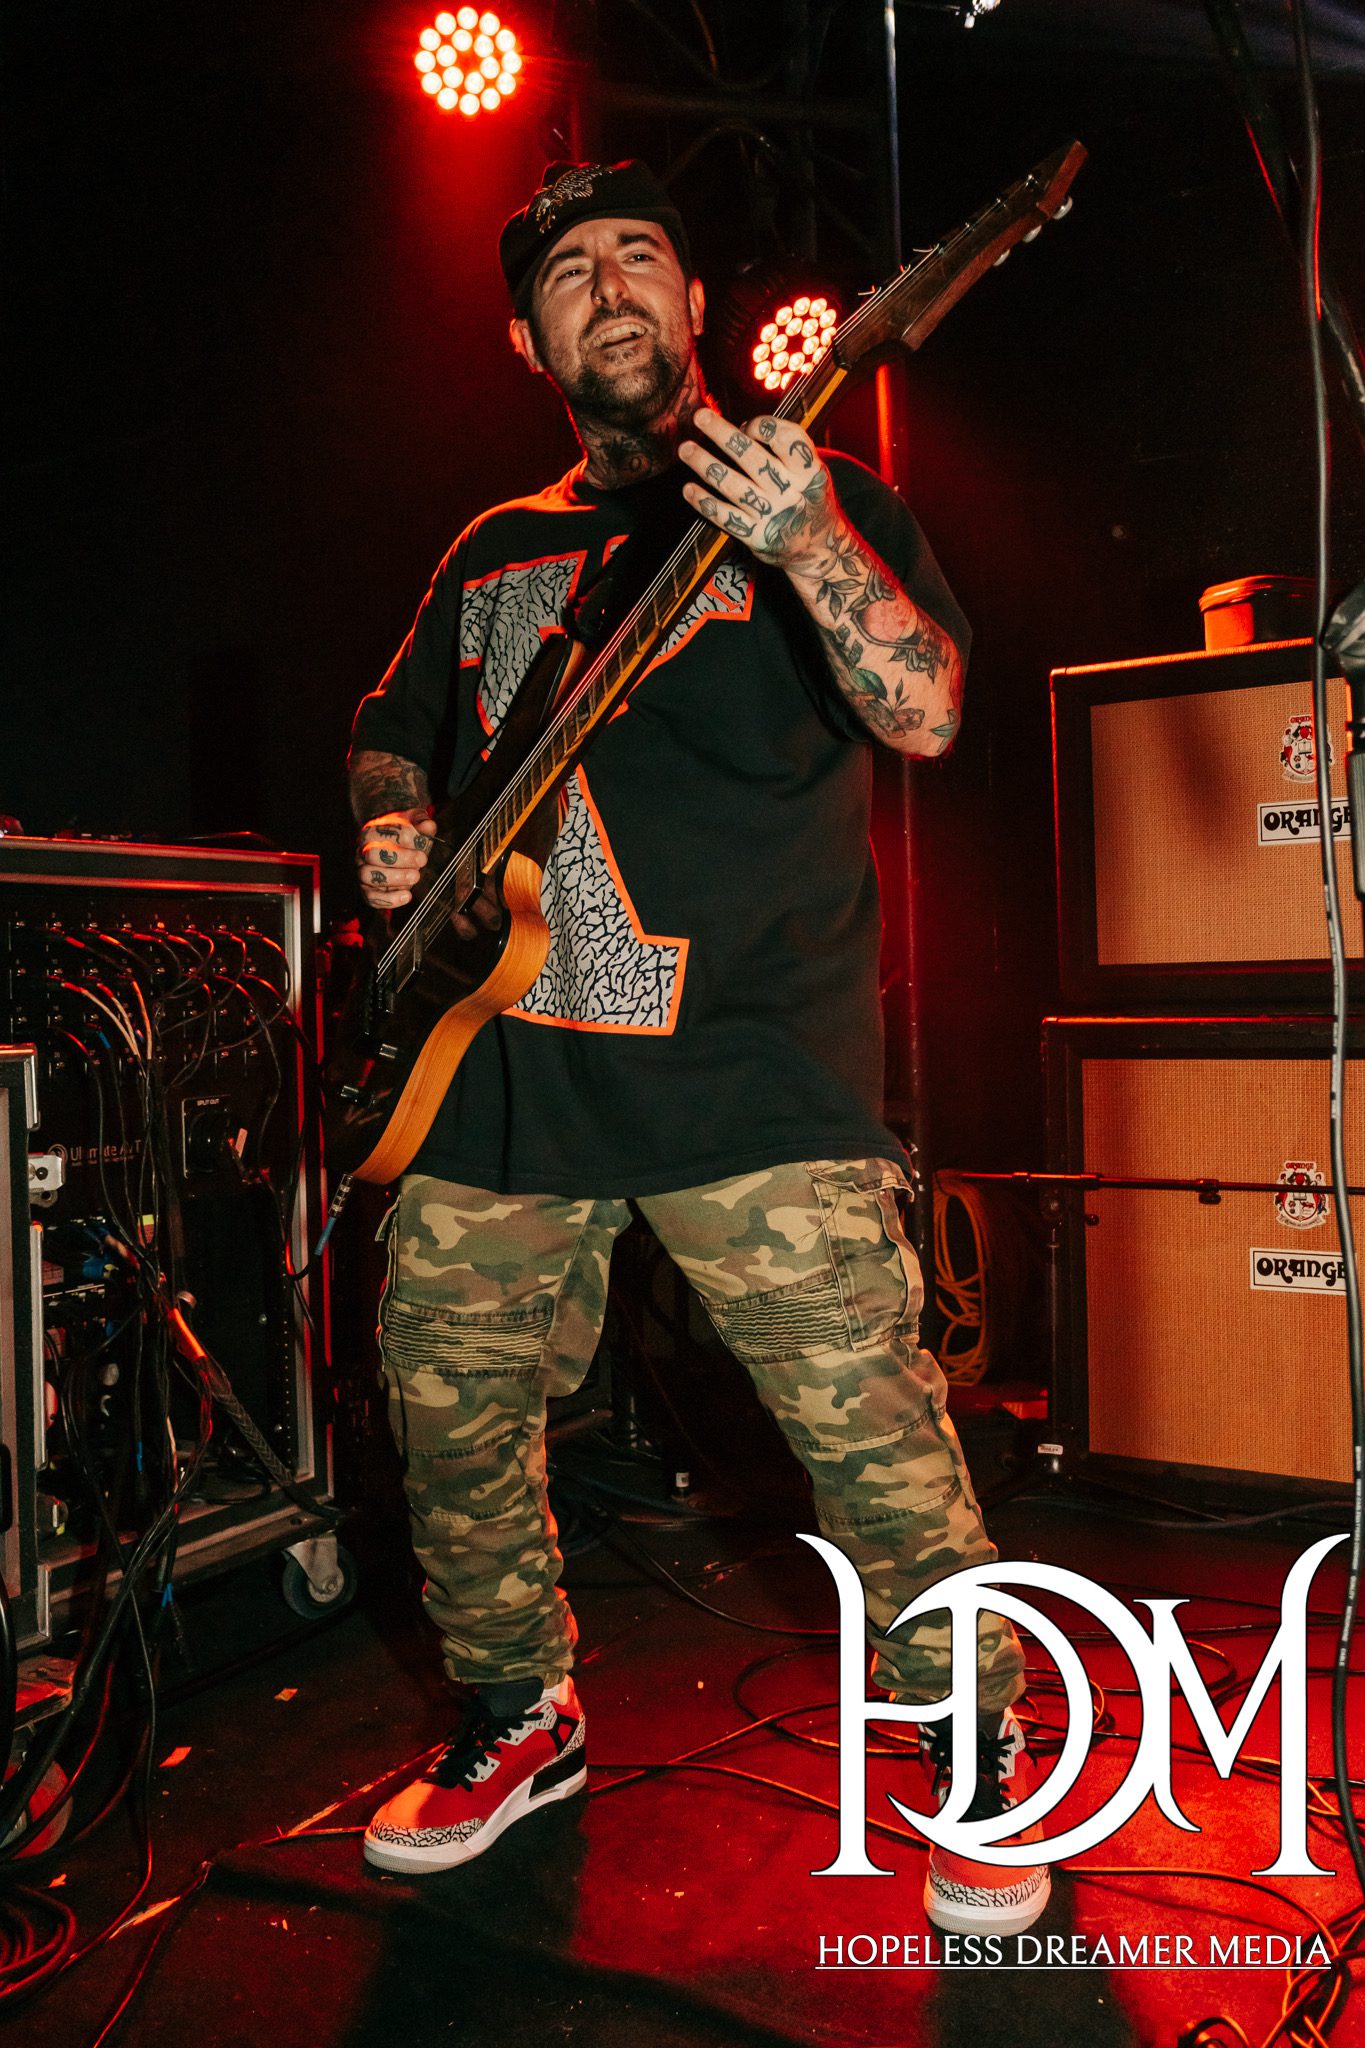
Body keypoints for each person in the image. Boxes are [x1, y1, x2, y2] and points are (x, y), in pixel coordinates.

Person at [347, 158, 1047, 1935]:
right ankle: (521, 1714)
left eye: (637, 256)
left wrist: (807, 539)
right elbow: (387, 733)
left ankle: (975, 1744)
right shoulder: (490, 554)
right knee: (447, 1411)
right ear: (527, 337)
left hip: (754, 1067)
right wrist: (388, 827)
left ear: (693, 308)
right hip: (499, 1074)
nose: (606, 287)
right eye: (567, 271)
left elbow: (929, 710)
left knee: (868, 1433)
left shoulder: (816, 490)